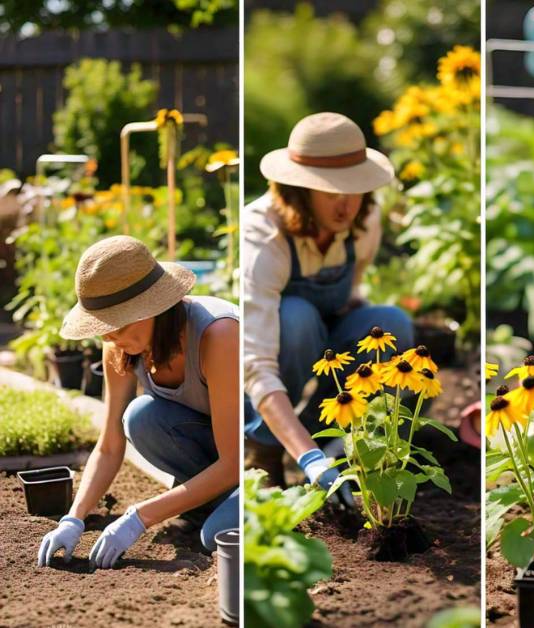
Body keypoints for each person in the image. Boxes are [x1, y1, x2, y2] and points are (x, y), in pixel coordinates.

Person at [37, 236, 239, 569]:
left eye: (118, 323)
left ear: (154, 306)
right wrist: (73, 518)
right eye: (103, 326)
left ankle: (222, 503)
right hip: (215, 456)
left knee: (216, 535)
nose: (108, 336)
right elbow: (109, 446)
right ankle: (210, 499)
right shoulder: (120, 344)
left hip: (250, 461)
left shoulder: (218, 335)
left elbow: (234, 463)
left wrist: (139, 517)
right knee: (140, 417)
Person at [243, 112, 414, 497]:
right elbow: (256, 366)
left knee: (392, 323)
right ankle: (266, 449)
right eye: (331, 191)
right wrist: (308, 459)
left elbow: (351, 290)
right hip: (282, 344)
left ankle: (331, 437)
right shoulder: (264, 232)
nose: (346, 204)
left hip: (329, 337)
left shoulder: (366, 221)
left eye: (353, 189)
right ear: (300, 190)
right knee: (297, 317)